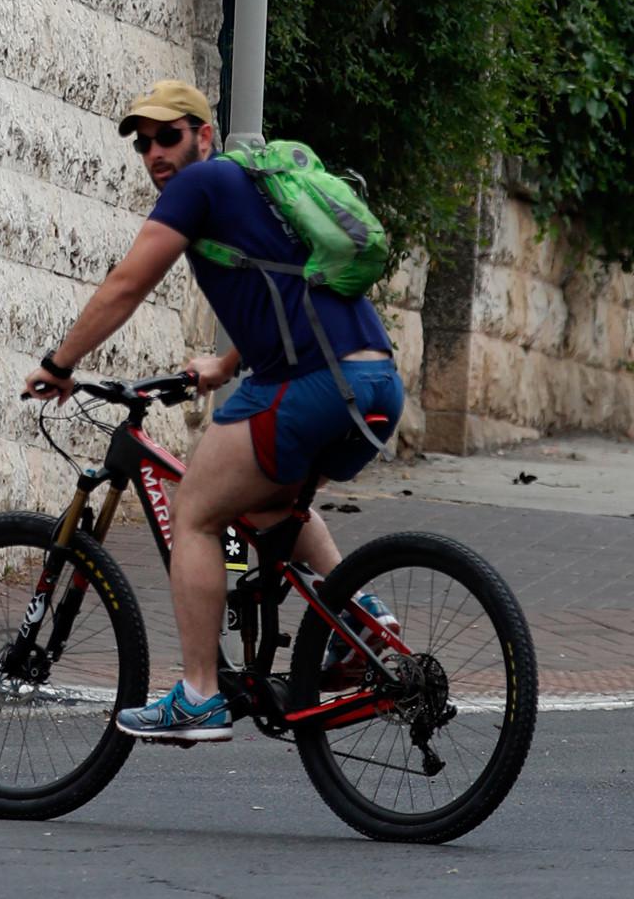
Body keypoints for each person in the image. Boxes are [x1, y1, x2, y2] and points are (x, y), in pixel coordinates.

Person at [21, 78, 405, 743]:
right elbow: (283, 280)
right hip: (373, 379)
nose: (154, 154)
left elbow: (126, 284)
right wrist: (223, 366)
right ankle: (358, 616)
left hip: (311, 386)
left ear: (204, 134)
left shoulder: (198, 188)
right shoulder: (254, 187)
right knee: (266, 504)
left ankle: (198, 696)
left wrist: (59, 365)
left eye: (168, 135)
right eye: (143, 144)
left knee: (195, 511)